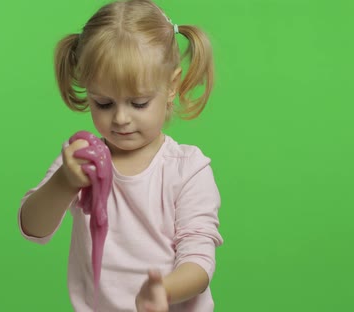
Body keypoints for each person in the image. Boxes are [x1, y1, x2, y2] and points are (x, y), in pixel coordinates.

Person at [18, 0, 223, 311]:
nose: (121, 119)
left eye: (138, 103)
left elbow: (199, 260)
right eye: (103, 103)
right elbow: (33, 228)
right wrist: (64, 182)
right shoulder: (81, 160)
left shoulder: (187, 170)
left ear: (171, 86)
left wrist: (164, 291)